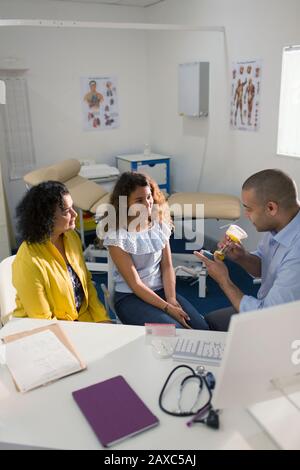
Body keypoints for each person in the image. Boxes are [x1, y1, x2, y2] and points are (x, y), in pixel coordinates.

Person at [194, 169, 300, 331]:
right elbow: (264, 268)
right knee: (210, 321)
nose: (246, 215)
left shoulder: (296, 252)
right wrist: (242, 257)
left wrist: (224, 281)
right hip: (272, 309)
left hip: (282, 326)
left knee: (211, 328)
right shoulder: (280, 225)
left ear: (271, 208)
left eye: (249, 209)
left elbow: (267, 318)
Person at [102, 172, 209, 329]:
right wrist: (167, 308)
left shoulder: (159, 225)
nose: (147, 204)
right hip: (130, 297)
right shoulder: (117, 237)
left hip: (161, 292)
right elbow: (135, 284)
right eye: (139, 200)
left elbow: (167, 267)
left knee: (202, 328)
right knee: (175, 333)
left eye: (149, 197)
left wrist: (171, 299)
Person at [12, 181, 110, 323]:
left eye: (72, 207)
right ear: (46, 219)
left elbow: (86, 283)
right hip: (45, 330)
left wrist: (102, 319)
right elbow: (43, 321)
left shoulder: (71, 236)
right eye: (66, 211)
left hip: (81, 321)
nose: (75, 214)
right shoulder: (29, 261)